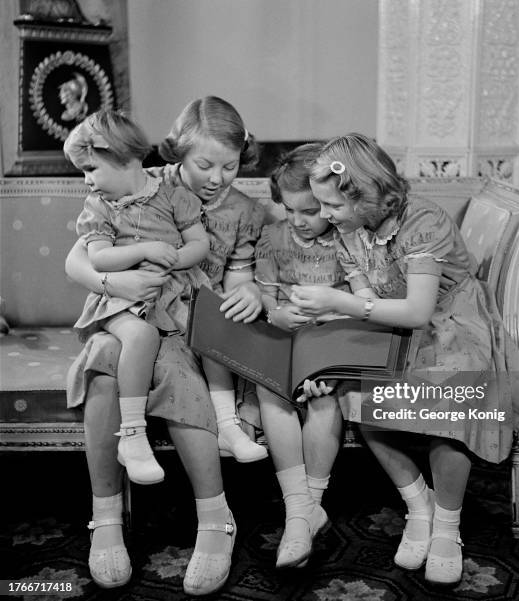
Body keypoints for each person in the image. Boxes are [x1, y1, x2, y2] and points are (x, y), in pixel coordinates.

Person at [290, 133, 519, 586]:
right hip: (393, 324)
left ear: (363, 193)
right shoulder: (351, 228)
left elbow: (420, 311)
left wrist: (339, 303)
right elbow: (367, 293)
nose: (324, 215)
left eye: (332, 206)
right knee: (359, 400)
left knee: (452, 406)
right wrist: (340, 322)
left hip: (453, 321)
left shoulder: (422, 222)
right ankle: (419, 504)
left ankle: (448, 528)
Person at [64, 96, 266, 595]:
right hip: (126, 309)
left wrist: (251, 290)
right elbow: (79, 261)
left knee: (170, 367)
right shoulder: (147, 183)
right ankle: (106, 516)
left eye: (230, 166)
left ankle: (215, 517)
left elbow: (239, 276)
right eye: (203, 165)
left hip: (187, 319)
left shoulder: (245, 212)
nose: (217, 177)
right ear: (177, 156)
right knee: (106, 357)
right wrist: (117, 287)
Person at [64, 109, 210, 487]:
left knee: (207, 338)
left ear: (126, 159)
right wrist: (146, 249)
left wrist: (172, 258)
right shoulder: (99, 207)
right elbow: (98, 257)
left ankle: (225, 422)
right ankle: (132, 434)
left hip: (166, 298)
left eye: (91, 169)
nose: (87, 181)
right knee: (141, 336)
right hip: (116, 303)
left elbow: (200, 245)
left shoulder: (172, 194)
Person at [254, 144, 346, 568]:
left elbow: (360, 301)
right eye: (289, 210)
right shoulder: (274, 238)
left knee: (322, 396)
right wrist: (276, 313)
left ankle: (308, 507)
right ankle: (299, 511)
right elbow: (265, 296)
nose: (298, 221)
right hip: (283, 337)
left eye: (310, 211)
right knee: (269, 387)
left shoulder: (349, 239)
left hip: (332, 340)